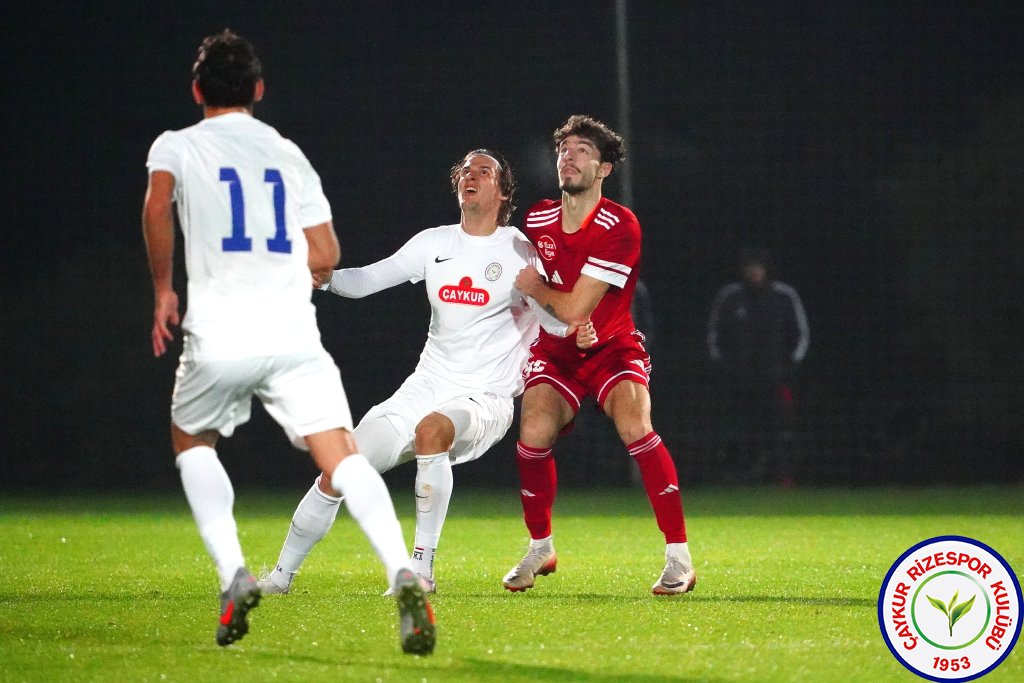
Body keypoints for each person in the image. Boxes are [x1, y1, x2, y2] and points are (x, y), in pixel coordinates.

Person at [141, 29, 434, 654]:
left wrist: (165, 289)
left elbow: (156, 203)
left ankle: (234, 575)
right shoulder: (288, 154)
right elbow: (326, 253)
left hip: (219, 327)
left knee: (192, 442)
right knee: (341, 454)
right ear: (259, 91)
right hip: (292, 331)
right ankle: (400, 568)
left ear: (197, 91)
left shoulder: (176, 145)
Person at [258, 150, 594, 597]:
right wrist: (324, 278)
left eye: (483, 171)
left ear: (503, 191)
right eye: (464, 171)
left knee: (431, 432)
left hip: (485, 398)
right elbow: (367, 280)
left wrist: (575, 329)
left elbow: (550, 318)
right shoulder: (434, 243)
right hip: (425, 387)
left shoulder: (520, 251)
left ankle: (420, 572)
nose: (470, 176)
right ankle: (279, 579)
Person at [506, 114, 697, 595]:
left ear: (605, 169)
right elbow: (543, 305)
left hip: (612, 347)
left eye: (583, 150)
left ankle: (679, 558)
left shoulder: (620, 226)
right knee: (532, 434)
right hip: (557, 351)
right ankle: (539, 547)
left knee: (637, 428)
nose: (568, 156)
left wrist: (544, 295)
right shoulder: (537, 218)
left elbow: (570, 303)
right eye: (563, 149)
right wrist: (551, 308)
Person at [707, 246, 809, 483]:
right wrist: (724, 367)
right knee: (738, 428)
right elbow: (715, 334)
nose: (754, 272)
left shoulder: (784, 296)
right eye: (749, 267)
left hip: (775, 379)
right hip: (739, 381)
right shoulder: (730, 298)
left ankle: (783, 475)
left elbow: (801, 335)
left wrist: (789, 367)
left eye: (758, 267)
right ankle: (737, 474)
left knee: (780, 428)